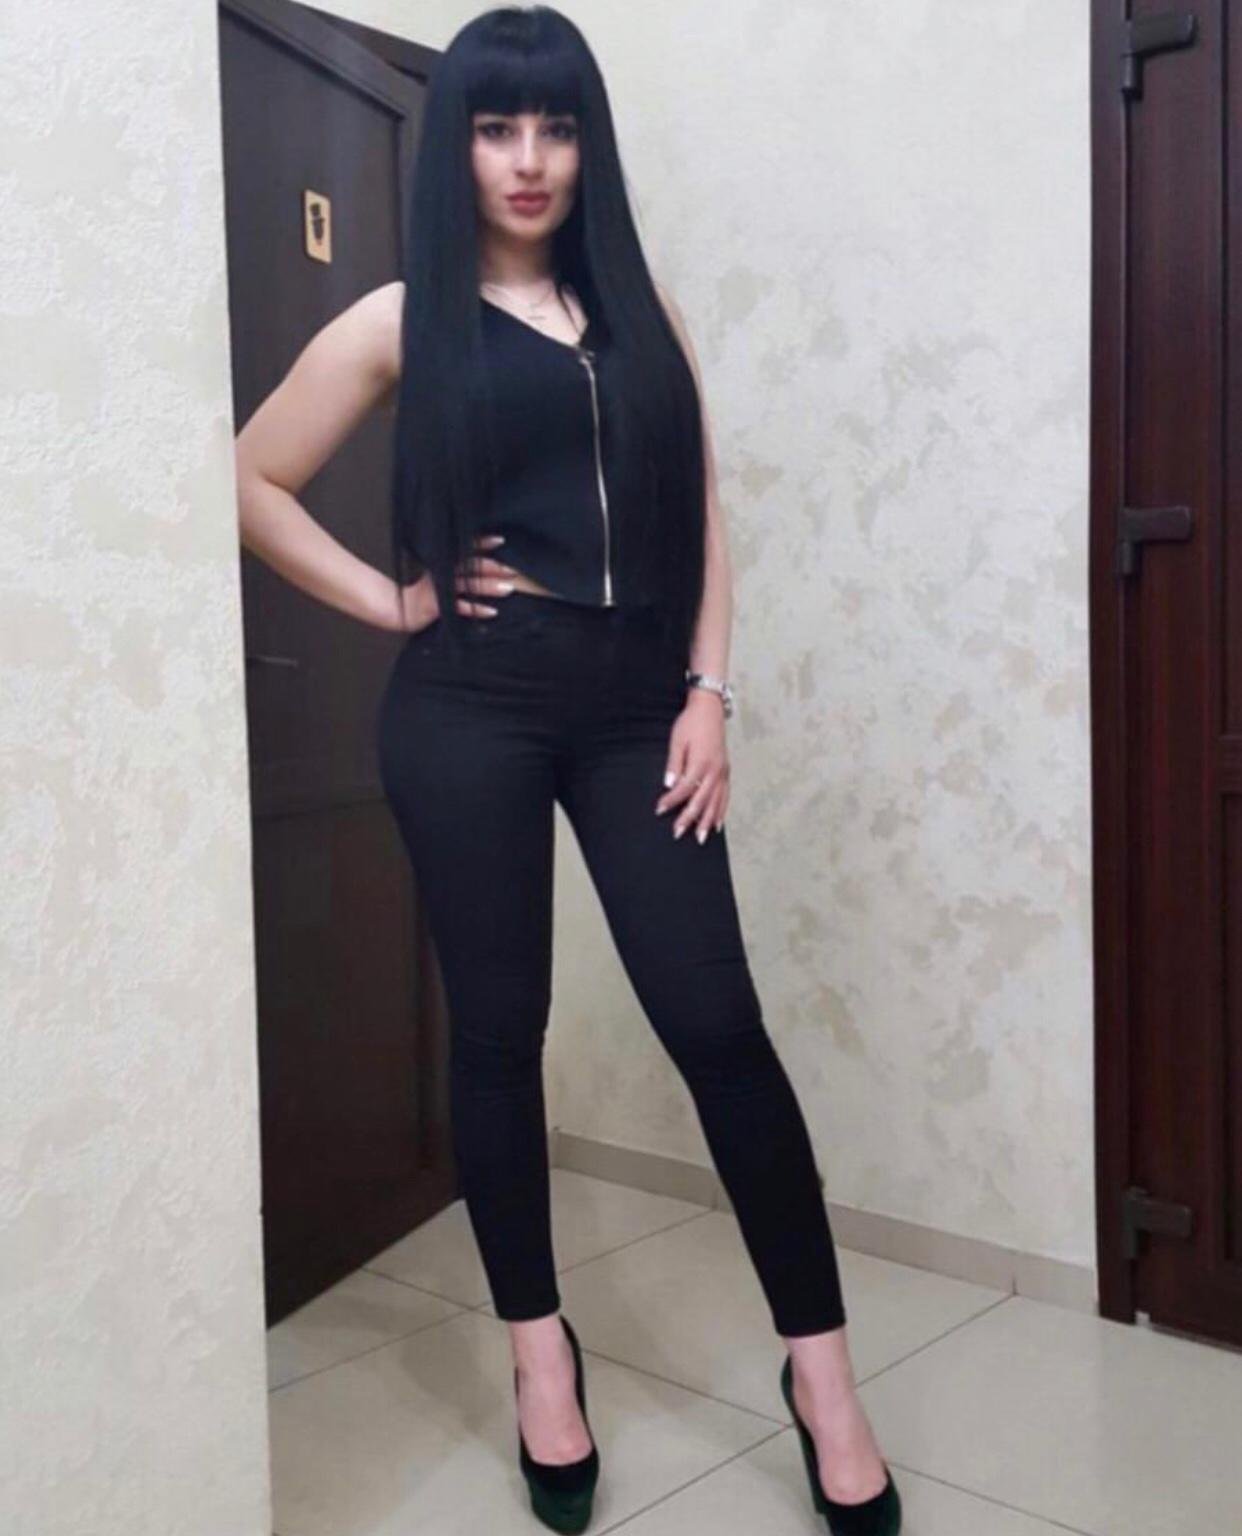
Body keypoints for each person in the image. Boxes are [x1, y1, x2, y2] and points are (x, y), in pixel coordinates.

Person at [234, 7, 901, 1533]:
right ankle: (541, 1357)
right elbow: (249, 476)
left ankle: (824, 1381)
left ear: (588, 144)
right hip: (467, 708)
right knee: (497, 1033)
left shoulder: (637, 307)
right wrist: (390, 601)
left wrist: (707, 692)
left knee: (716, 1024)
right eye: (494, 127)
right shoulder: (403, 318)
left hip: (634, 711)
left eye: (555, 127)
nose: (527, 159)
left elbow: (701, 507)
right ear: (457, 146)